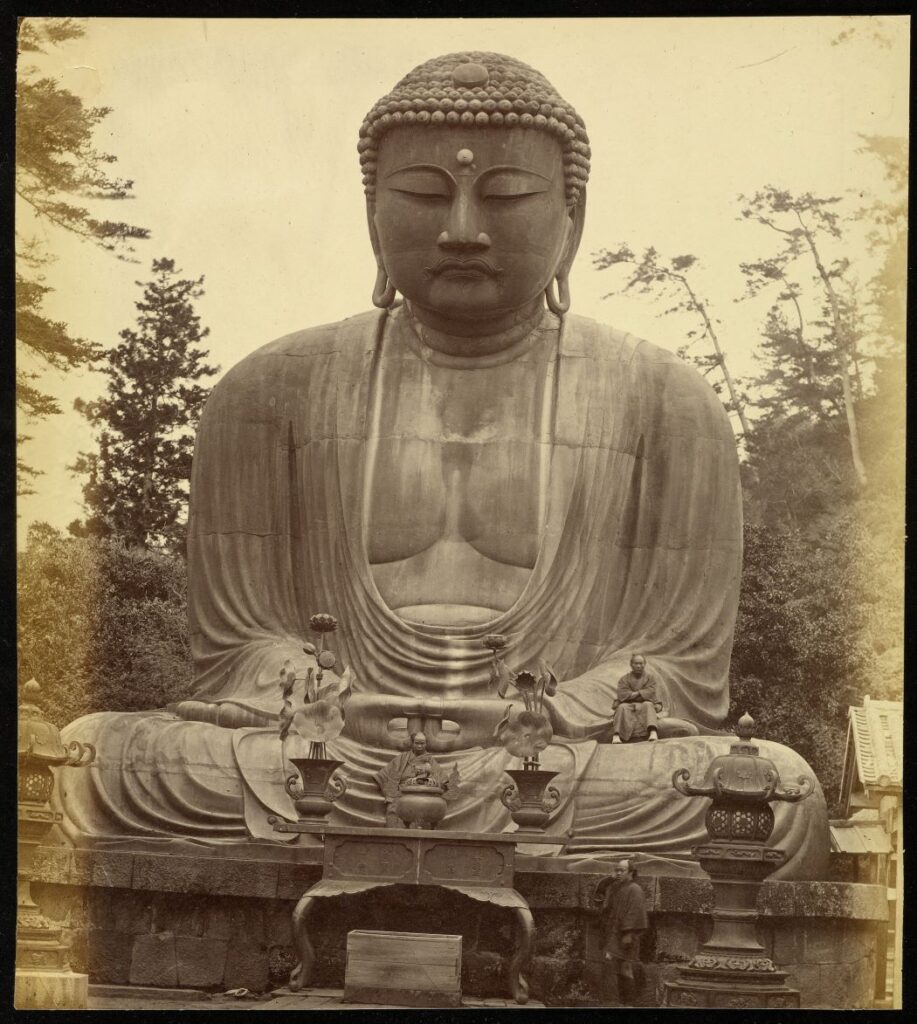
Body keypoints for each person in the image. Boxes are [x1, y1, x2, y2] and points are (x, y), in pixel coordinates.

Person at [56, 51, 827, 879]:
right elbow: (238, 642)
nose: (462, 228)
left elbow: (674, 667)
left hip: (548, 759)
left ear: (572, 214)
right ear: (370, 212)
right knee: (89, 758)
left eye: (505, 196)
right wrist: (328, 702)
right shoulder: (267, 390)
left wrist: (544, 716)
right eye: (424, 195)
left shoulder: (667, 402)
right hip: (328, 753)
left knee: (775, 790)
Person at [596, 858, 648, 1005]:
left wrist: (628, 934)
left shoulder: (635, 889)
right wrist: (609, 878)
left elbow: (635, 912)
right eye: (616, 870)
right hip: (614, 934)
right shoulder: (615, 888)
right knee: (615, 968)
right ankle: (621, 1002)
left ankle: (629, 1003)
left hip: (626, 936)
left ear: (631, 873)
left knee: (626, 968)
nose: (618, 873)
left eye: (622, 870)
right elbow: (599, 894)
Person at [374, 732, 454, 827]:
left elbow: (443, 781)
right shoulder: (402, 759)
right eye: (417, 743)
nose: (420, 746)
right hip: (401, 795)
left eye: (422, 743)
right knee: (393, 809)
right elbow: (387, 776)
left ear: (426, 744)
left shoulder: (431, 762)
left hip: (424, 797)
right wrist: (393, 793)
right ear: (412, 743)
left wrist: (429, 782)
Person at [611, 655, 662, 743]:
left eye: (641, 663)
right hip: (627, 704)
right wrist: (641, 693)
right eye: (636, 663)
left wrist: (633, 694)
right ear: (631, 665)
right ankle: (616, 735)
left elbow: (650, 692)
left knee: (648, 705)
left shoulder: (650, 678)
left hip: (644, 703)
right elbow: (622, 694)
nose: (638, 666)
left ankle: (653, 731)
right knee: (621, 707)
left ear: (644, 664)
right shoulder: (624, 679)